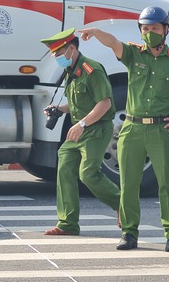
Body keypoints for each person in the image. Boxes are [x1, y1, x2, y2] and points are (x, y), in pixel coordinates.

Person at [79, 6, 169, 252]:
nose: (150, 33)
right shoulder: (134, 54)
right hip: (131, 129)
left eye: (154, 28)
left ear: (165, 30)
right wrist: (96, 31)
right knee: (129, 183)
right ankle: (129, 233)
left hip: (161, 129)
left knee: (168, 182)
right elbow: (113, 43)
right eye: (145, 28)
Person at [39, 28, 121, 236]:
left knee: (88, 173)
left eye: (59, 53)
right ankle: (67, 224)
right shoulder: (71, 71)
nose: (56, 58)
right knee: (64, 167)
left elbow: (104, 103)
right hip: (80, 129)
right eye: (54, 54)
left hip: (96, 128)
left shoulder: (91, 69)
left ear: (71, 49)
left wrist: (82, 124)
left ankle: (123, 206)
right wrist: (60, 109)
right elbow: (78, 103)